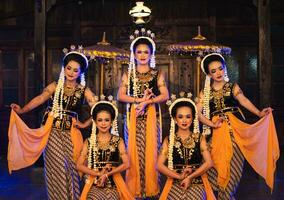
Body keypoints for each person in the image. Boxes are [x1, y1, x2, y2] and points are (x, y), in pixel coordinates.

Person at [9, 46, 97, 200]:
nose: (71, 72)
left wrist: (85, 124)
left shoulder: (84, 91)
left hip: (71, 135)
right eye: (69, 68)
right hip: (51, 133)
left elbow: (100, 110)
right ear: (64, 68)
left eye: (75, 70)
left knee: (72, 168)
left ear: (80, 73)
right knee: (57, 168)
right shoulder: (55, 86)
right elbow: (40, 99)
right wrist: (22, 110)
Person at [197, 53, 279, 199]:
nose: (218, 73)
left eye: (220, 69)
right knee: (211, 166)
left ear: (225, 69)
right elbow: (197, 113)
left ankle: (227, 196)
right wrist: (212, 124)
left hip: (236, 133)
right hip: (215, 135)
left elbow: (244, 100)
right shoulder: (205, 92)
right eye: (213, 71)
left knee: (233, 171)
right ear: (209, 74)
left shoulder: (232, 86)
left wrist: (259, 113)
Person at [117, 28, 169, 198]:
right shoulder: (128, 74)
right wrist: (139, 101)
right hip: (133, 116)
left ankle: (151, 188)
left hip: (152, 117)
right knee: (133, 152)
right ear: (134, 54)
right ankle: (134, 189)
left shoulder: (156, 73)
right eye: (138, 52)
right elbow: (121, 96)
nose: (142, 55)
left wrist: (148, 102)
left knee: (152, 150)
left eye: (146, 52)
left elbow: (165, 95)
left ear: (151, 53)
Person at [158, 94, 215, 200]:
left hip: (197, 182)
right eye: (180, 117)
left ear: (193, 118)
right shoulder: (169, 140)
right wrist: (179, 176)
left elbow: (209, 163)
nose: (184, 120)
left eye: (188, 117)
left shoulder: (199, 138)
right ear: (175, 119)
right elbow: (159, 165)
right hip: (176, 183)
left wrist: (190, 177)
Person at [77, 99, 133, 200]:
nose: (103, 123)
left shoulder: (118, 141)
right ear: (95, 122)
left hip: (114, 184)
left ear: (111, 122)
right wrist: (98, 174)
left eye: (107, 120)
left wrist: (107, 174)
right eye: (100, 120)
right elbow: (79, 165)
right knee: (93, 198)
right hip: (94, 183)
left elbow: (127, 164)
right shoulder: (89, 142)